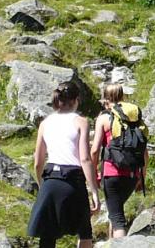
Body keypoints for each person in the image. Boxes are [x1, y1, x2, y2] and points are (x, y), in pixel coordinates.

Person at [28, 82, 99, 248]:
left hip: (50, 178)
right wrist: (94, 190)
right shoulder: (81, 121)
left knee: (47, 234)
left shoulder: (45, 123)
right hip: (73, 180)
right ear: (76, 100)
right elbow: (85, 159)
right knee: (84, 232)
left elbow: (38, 161)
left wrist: (41, 183)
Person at [90, 84, 148, 239]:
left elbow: (94, 150)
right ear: (122, 96)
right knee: (115, 211)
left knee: (117, 220)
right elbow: (144, 152)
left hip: (112, 173)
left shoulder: (103, 118)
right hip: (132, 174)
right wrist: (142, 176)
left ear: (105, 99)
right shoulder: (133, 118)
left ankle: (120, 242)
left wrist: (93, 173)